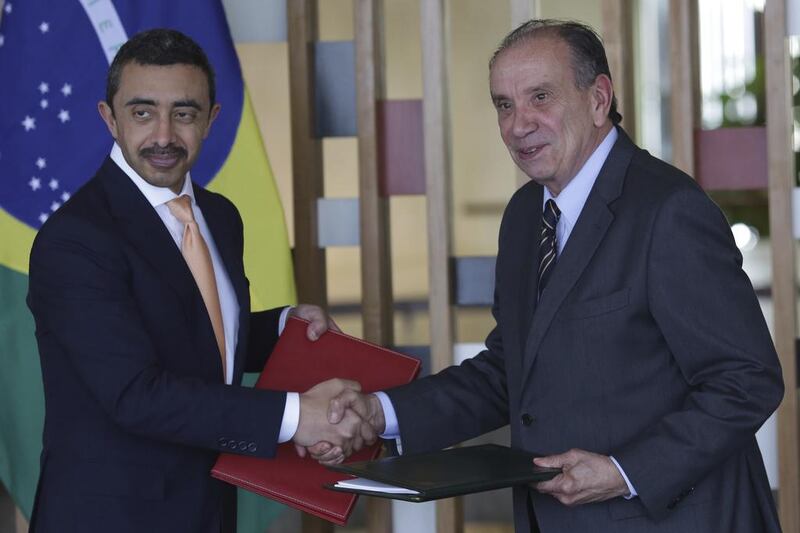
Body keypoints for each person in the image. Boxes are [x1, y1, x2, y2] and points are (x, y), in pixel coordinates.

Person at [324, 19, 784, 532]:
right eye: (504, 104)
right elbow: (511, 370)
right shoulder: (525, 215)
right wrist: (378, 413)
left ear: (598, 98)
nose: (519, 124)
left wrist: (623, 471)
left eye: (540, 97)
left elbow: (746, 380)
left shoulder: (668, 210)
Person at [26, 28, 372, 533]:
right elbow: (135, 393)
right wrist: (299, 416)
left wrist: (278, 328)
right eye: (143, 112)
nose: (164, 135)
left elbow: (189, 332)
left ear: (210, 119)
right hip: (111, 517)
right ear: (110, 118)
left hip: (206, 506)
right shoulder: (76, 239)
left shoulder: (220, 216)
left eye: (183, 113)